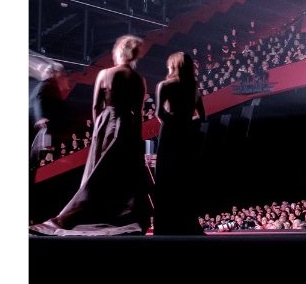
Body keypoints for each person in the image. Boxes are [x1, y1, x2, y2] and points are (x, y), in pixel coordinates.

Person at [31, 35, 152, 236]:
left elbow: (97, 106)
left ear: (119, 52)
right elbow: (138, 112)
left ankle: (87, 212)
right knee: (123, 175)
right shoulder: (139, 79)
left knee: (99, 173)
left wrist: (98, 130)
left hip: (107, 124)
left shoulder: (105, 74)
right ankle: (121, 216)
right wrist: (135, 137)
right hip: (128, 127)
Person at [153, 52, 207, 235]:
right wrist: (187, 124)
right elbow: (202, 116)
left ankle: (166, 224)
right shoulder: (194, 87)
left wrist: (173, 123)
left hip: (169, 134)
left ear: (173, 66)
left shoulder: (165, 86)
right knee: (185, 179)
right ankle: (188, 223)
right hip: (187, 135)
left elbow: (159, 113)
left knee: (166, 178)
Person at [29, 61, 70, 165]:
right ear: (55, 73)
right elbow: (39, 98)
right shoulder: (48, 83)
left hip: (45, 126)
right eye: (62, 73)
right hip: (37, 123)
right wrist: (40, 117)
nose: (64, 76)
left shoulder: (55, 88)